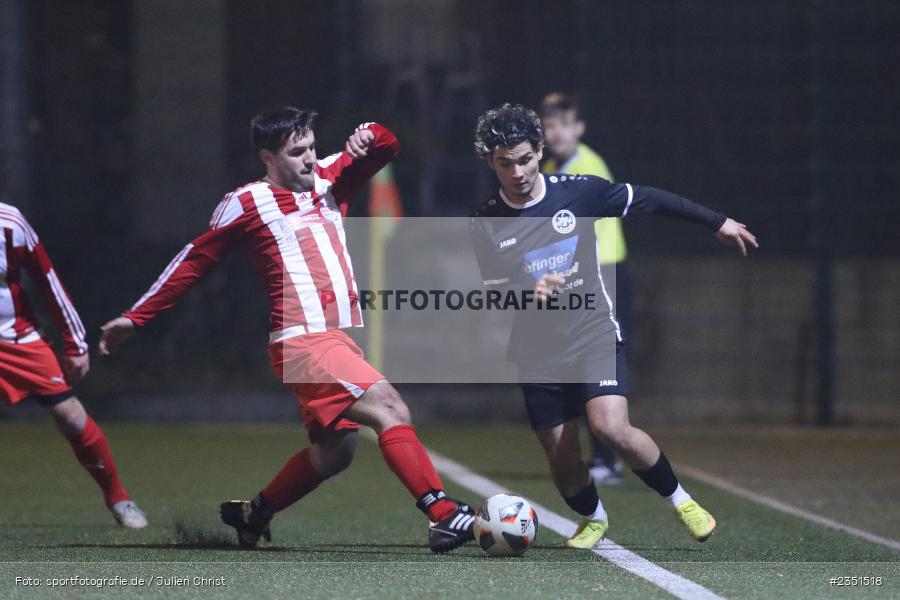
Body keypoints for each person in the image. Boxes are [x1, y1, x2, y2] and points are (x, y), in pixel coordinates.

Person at [98, 106, 475, 553]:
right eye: (298, 152)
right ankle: (444, 515)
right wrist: (136, 316)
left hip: (334, 339)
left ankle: (255, 513)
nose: (311, 159)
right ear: (267, 157)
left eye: (313, 147)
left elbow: (388, 144)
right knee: (390, 407)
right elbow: (195, 259)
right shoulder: (247, 201)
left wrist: (365, 134)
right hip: (301, 340)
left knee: (335, 455)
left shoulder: (331, 177)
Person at [469, 104, 757, 549]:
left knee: (609, 427)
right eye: (505, 163)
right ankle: (593, 518)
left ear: (539, 151)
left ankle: (682, 501)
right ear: (490, 162)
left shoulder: (578, 192)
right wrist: (527, 289)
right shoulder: (486, 220)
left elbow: (650, 199)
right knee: (562, 456)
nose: (518, 171)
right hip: (536, 349)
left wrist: (715, 221)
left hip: (591, 330)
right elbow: (493, 290)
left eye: (525, 158)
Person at [0, 202, 147, 528]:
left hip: (15, 338)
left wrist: (74, 342)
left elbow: (47, 278)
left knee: (71, 416)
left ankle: (119, 498)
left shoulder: (9, 222)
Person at [541, 91, 625, 485]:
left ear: (579, 127)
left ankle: (607, 458)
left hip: (601, 273)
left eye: (562, 124)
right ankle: (598, 456)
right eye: (549, 125)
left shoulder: (589, 166)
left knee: (597, 365)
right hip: (575, 277)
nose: (555, 132)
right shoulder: (553, 165)